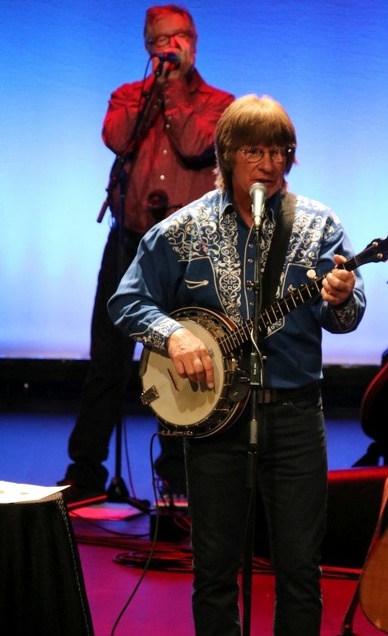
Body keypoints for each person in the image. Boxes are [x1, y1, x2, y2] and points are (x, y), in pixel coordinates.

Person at [108, 94, 366, 636]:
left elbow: (347, 318)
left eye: (280, 151)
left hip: (295, 416)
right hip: (217, 424)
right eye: (255, 151)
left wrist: (342, 296)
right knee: (215, 571)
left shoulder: (319, 225)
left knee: (300, 570)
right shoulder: (185, 229)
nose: (269, 164)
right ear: (226, 155)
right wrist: (171, 335)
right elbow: (127, 301)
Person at [58, 4, 234, 504]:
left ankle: (176, 481)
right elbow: (116, 137)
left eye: (179, 38)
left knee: (181, 361)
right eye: (161, 39)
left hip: (188, 252)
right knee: (107, 361)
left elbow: (198, 144)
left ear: (194, 43)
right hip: (128, 242)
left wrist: (173, 92)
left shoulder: (219, 105)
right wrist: (155, 92)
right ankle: (85, 474)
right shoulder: (127, 95)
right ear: (147, 46)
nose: (170, 47)